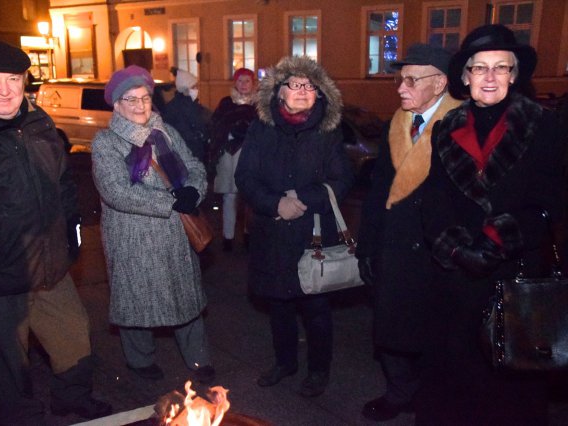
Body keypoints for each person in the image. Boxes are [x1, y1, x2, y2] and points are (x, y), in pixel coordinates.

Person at [0, 41, 111, 424]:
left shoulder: (37, 120)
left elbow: (62, 181)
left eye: (13, 79)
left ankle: (71, 398)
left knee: (73, 336)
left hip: (49, 264)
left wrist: (72, 226)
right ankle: (22, 416)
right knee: (9, 359)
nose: (5, 90)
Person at [416, 24, 565, 424]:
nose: (490, 77)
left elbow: (553, 202)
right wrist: (456, 247)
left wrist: (498, 239)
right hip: (457, 276)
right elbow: (434, 197)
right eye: (479, 68)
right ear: (465, 77)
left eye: (501, 67)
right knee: (454, 382)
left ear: (515, 75)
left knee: (510, 391)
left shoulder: (543, 125)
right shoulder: (446, 127)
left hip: (514, 278)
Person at [235, 56, 355, 397]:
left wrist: (300, 198)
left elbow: (343, 178)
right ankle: (284, 362)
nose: (302, 91)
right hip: (272, 234)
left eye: (309, 86)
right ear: (278, 91)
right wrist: (275, 204)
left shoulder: (328, 131)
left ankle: (318, 370)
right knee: (279, 305)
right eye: (295, 84)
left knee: (316, 308)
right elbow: (245, 176)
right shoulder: (261, 128)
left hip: (312, 234)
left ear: (319, 93)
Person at [91, 65, 215, 386]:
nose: (139, 105)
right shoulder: (107, 143)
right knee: (137, 298)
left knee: (185, 295)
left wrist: (193, 191)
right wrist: (171, 202)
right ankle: (139, 359)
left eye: (144, 98)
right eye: (130, 99)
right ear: (116, 104)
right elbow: (117, 192)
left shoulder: (166, 133)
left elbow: (195, 167)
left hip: (175, 234)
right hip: (133, 237)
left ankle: (198, 357)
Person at [355, 44, 461, 421]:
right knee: (391, 329)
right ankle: (399, 393)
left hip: (437, 252)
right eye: (401, 79)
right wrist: (366, 246)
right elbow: (378, 192)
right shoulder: (395, 125)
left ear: (441, 83)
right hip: (393, 246)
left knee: (433, 334)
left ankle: (431, 398)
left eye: (412, 80)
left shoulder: (461, 126)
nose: (401, 87)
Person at [210, 68, 258, 251]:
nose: (244, 85)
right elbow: (216, 125)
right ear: (235, 83)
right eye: (240, 81)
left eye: (247, 81)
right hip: (228, 155)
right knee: (229, 197)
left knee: (249, 198)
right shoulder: (226, 103)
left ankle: (248, 235)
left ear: (253, 83)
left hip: (248, 156)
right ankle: (227, 237)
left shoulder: (258, 105)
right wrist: (228, 134)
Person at [162, 68, 211, 164]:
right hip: (189, 153)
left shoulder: (177, 103)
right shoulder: (185, 106)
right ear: (186, 89)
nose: (197, 89)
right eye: (194, 87)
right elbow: (196, 127)